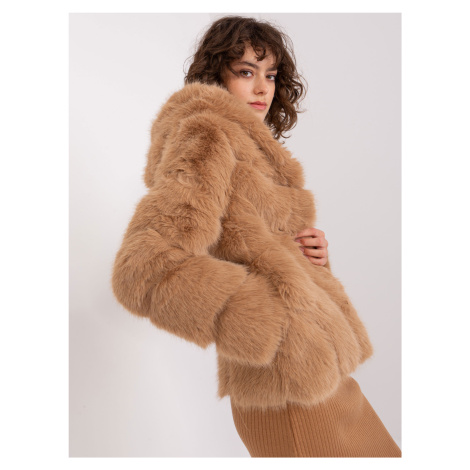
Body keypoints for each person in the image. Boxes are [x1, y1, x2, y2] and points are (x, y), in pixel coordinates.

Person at [111, 15, 401, 458]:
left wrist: (310, 258)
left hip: (315, 374)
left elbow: (250, 250)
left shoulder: (247, 146)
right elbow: (144, 269)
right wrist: (263, 321)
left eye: (271, 74)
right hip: (287, 384)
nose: (263, 88)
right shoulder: (207, 135)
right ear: (216, 75)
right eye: (246, 72)